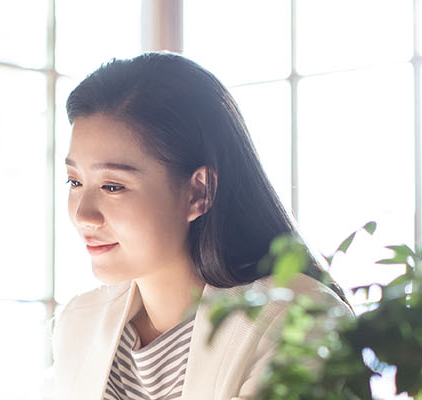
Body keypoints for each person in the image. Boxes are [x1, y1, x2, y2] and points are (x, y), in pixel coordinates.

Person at [52, 52, 350, 400]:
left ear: (198, 191)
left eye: (113, 186)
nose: (84, 214)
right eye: (75, 182)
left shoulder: (296, 319)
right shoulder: (78, 325)